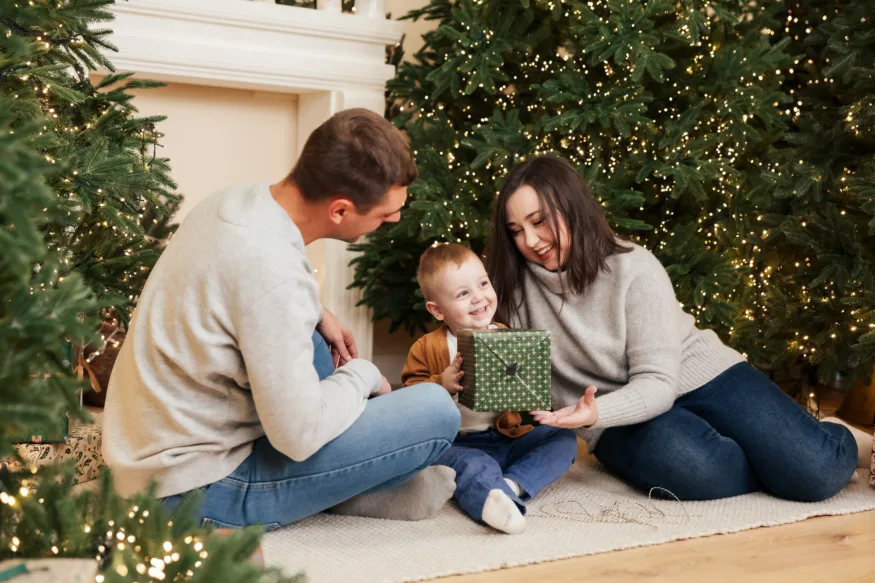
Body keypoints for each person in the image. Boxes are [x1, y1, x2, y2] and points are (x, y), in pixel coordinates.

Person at [103, 109, 461, 529]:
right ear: (340, 210)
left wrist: (317, 310)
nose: (395, 219)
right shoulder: (274, 279)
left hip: (151, 456)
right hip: (193, 488)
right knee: (436, 410)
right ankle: (354, 489)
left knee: (316, 343)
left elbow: (251, 291)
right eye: (386, 214)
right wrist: (364, 375)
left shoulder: (237, 203)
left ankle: (348, 486)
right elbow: (298, 435)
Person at [485, 154, 868, 502]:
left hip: (695, 373)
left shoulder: (634, 267)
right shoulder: (509, 290)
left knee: (817, 471)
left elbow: (657, 382)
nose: (530, 241)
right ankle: (776, 458)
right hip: (610, 415)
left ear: (572, 207)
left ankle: (836, 436)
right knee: (701, 472)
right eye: (516, 230)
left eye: (539, 221)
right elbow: (497, 366)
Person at [400, 243, 578, 533]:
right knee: (471, 464)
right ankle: (491, 500)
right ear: (437, 310)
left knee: (562, 439)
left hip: (506, 436)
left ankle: (509, 486)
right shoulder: (427, 347)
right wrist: (441, 383)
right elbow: (409, 400)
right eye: (462, 294)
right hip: (459, 443)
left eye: (483, 284)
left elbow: (522, 391)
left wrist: (533, 403)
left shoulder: (505, 336)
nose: (478, 297)